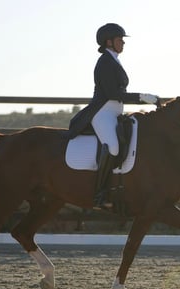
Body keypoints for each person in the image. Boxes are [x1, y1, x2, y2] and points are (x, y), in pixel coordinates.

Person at [67, 23, 159, 209]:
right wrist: (142, 97)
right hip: (102, 112)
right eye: (120, 40)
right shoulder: (105, 62)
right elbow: (112, 93)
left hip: (115, 112)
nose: (123, 43)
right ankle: (99, 193)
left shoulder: (114, 59)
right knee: (114, 148)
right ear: (109, 42)